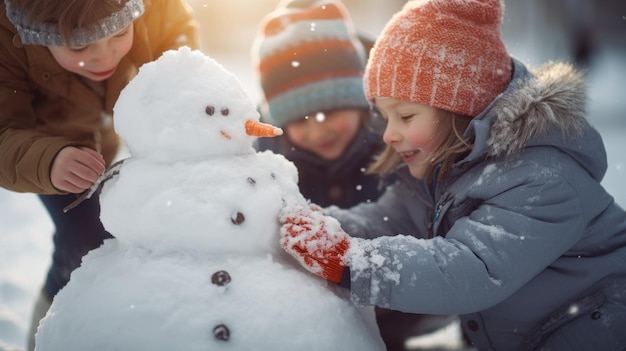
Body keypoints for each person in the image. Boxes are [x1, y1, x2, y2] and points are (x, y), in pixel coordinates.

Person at [277, 0, 626, 350]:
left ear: (460, 108)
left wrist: (354, 262)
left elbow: (468, 271)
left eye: (406, 116)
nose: (388, 134)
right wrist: (319, 225)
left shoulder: (542, 179)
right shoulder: (439, 173)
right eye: (385, 117)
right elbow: (385, 219)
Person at [251, 1, 456, 349]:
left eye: (331, 110)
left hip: (402, 301)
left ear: (360, 100)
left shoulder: (400, 142)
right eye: (299, 120)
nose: (319, 131)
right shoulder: (268, 160)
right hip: (315, 314)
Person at [0, 0, 199, 349]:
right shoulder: (5, 41)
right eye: (80, 45)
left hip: (109, 131)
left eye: (120, 33)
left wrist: (178, 88)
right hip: (50, 150)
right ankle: (46, 335)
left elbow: (176, 33)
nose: (104, 56)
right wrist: (50, 161)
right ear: (34, 35)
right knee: (83, 244)